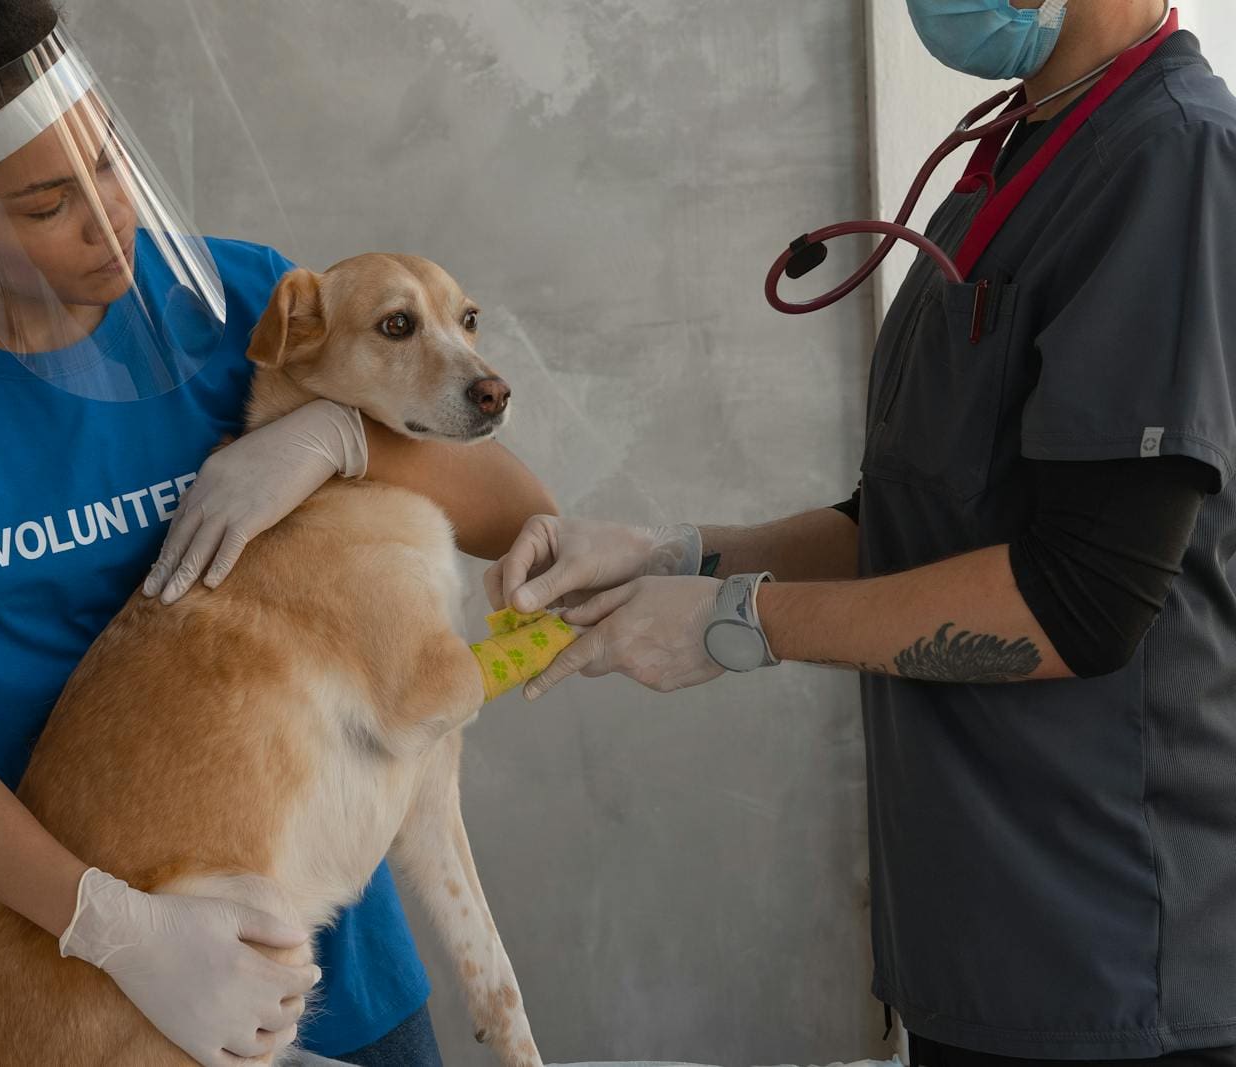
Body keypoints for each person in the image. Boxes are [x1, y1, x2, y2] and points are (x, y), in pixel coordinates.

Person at [0, 3, 553, 1065]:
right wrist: (117, 930)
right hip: (80, 997)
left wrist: (331, 439)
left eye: (112, 162)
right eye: (46, 204)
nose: (108, 219)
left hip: (336, 975)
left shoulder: (233, 300)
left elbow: (510, 507)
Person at [490, 2, 1236, 1066]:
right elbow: (909, 517)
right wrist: (682, 552)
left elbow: (1082, 599)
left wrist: (731, 623)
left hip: (1110, 955)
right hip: (974, 941)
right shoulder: (1014, 151)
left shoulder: (1176, 160)